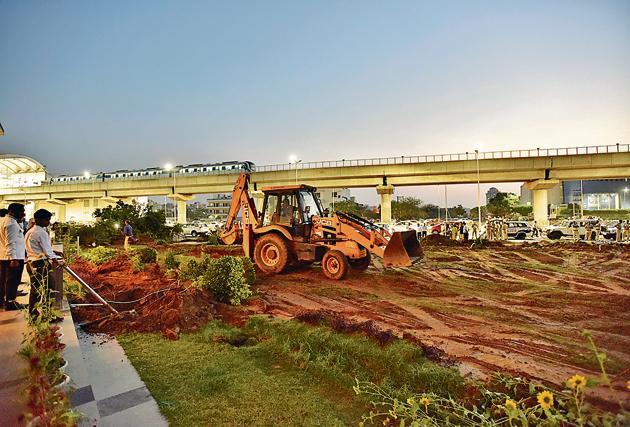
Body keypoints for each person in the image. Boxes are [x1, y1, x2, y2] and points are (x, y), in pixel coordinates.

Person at [25, 209, 64, 319]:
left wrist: (54, 252)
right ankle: (48, 315)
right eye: (47, 220)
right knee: (50, 288)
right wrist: (57, 260)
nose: (48, 222)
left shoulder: (30, 231)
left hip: (31, 262)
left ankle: (34, 315)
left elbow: (39, 248)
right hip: (40, 264)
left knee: (35, 290)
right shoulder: (41, 232)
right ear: (39, 220)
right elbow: (48, 253)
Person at [0, 203, 27, 310]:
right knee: (13, 281)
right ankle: (11, 303)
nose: (23, 213)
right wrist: (14, 259)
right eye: (21, 211)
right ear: (11, 211)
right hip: (14, 258)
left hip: (4, 256)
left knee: (3, 281)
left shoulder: (4, 220)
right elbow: (10, 243)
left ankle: (2, 302)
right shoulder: (11, 224)